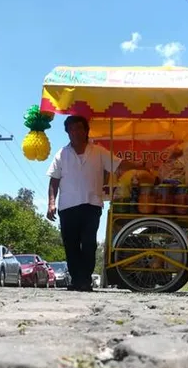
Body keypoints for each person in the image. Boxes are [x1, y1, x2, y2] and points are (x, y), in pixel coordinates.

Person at [46, 115, 147, 291]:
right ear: (67, 133)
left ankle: (85, 279)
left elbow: (119, 165)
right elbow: (54, 181)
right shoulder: (61, 154)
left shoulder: (99, 151)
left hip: (91, 205)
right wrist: (51, 203)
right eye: (71, 129)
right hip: (67, 207)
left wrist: (140, 166)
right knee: (71, 245)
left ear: (86, 131)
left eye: (78, 128)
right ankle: (77, 280)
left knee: (89, 243)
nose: (75, 132)